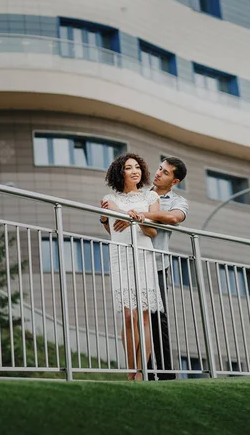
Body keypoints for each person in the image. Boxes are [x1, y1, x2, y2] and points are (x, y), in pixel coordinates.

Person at [102, 157, 188, 380]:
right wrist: (111, 218)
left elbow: (168, 219)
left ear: (174, 180)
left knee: (154, 319)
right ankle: (137, 373)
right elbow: (112, 226)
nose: (159, 173)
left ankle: (162, 374)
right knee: (131, 317)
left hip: (155, 261)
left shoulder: (176, 201)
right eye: (159, 168)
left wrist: (135, 216)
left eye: (165, 172)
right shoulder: (139, 193)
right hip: (124, 257)